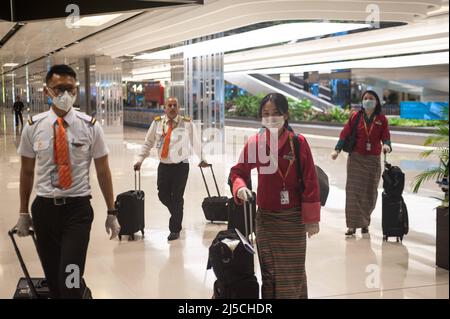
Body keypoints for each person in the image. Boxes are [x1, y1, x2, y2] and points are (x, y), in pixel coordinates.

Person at [15, 64, 121, 299]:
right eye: (58, 88)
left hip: (77, 211)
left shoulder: (90, 126)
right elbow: (26, 172)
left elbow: (103, 171)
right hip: (44, 211)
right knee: (54, 282)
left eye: (69, 89)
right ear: (47, 92)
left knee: (71, 279)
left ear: (76, 91)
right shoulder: (33, 127)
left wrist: (112, 211)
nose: (64, 94)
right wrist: (24, 212)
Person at [229, 93, 321, 299]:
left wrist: (312, 219)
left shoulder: (298, 142)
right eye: (265, 114)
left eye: (276, 113)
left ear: (285, 115)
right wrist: (240, 187)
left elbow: (310, 180)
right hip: (267, 220)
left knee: (294, 272)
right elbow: (238, 172)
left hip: (294, 220)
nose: (271, 118)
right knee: (270, 273)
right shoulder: (256, 143)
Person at [134, 97, 208, 241]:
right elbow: (148, 142)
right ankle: (177, 213)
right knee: (163, 195)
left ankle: (175, 229)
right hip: (164, 165)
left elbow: (195, 143)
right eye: (169, 105)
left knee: (177, 197)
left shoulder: (187, 123)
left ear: (178, 108)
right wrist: (140, 160)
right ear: (165, 108)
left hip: (181, 166)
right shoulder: (157, 123)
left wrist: (202, 159)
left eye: (175, 105)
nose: (172, 107)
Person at [331, 90, 392, 236]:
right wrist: (337, 150)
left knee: (369, 192)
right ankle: (352, 226)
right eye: (365, 98)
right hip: (356, 159)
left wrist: (387, 145)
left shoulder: (382, 119)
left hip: (373, 160)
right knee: (353, 192)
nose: (368, 100)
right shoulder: (355, 117)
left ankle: (365, 223)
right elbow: (345, 133)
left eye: (371, 98)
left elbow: (386, 136)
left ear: (376, 101)